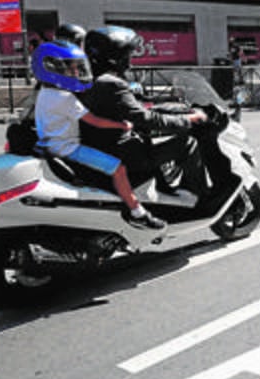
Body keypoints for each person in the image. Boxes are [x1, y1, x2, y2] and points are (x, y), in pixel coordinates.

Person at [31, 40, 165, 230]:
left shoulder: (46, 92)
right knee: (118, 168)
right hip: (67, 148)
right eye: (71, 69)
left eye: (78, 68)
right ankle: (138, 213)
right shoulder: (65, 98)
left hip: (50, 144)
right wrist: (121, 124)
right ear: (51, 68)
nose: (77, 73)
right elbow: (94, 120)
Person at [81, 26, 214, 199]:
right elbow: (145, 118)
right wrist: (189, 119)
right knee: (187, 144)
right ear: (114, 58)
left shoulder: (91, 79)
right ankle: (201, 198)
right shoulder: (111, 83)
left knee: (149, 136)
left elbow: (135, 108)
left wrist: (179, 110)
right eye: (127, 55)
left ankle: (165, 189)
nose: (130, 61)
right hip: (123, 153)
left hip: (103, 147)